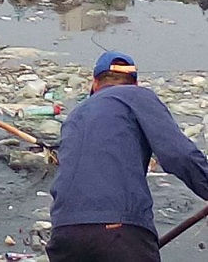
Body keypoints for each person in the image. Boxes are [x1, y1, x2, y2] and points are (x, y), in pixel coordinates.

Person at [47, 51, 208, 262]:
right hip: (118, 229)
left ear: (94, 83)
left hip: (65, 234)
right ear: (135, 83)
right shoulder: (136, 96)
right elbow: (179, 155)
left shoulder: (75, 115)